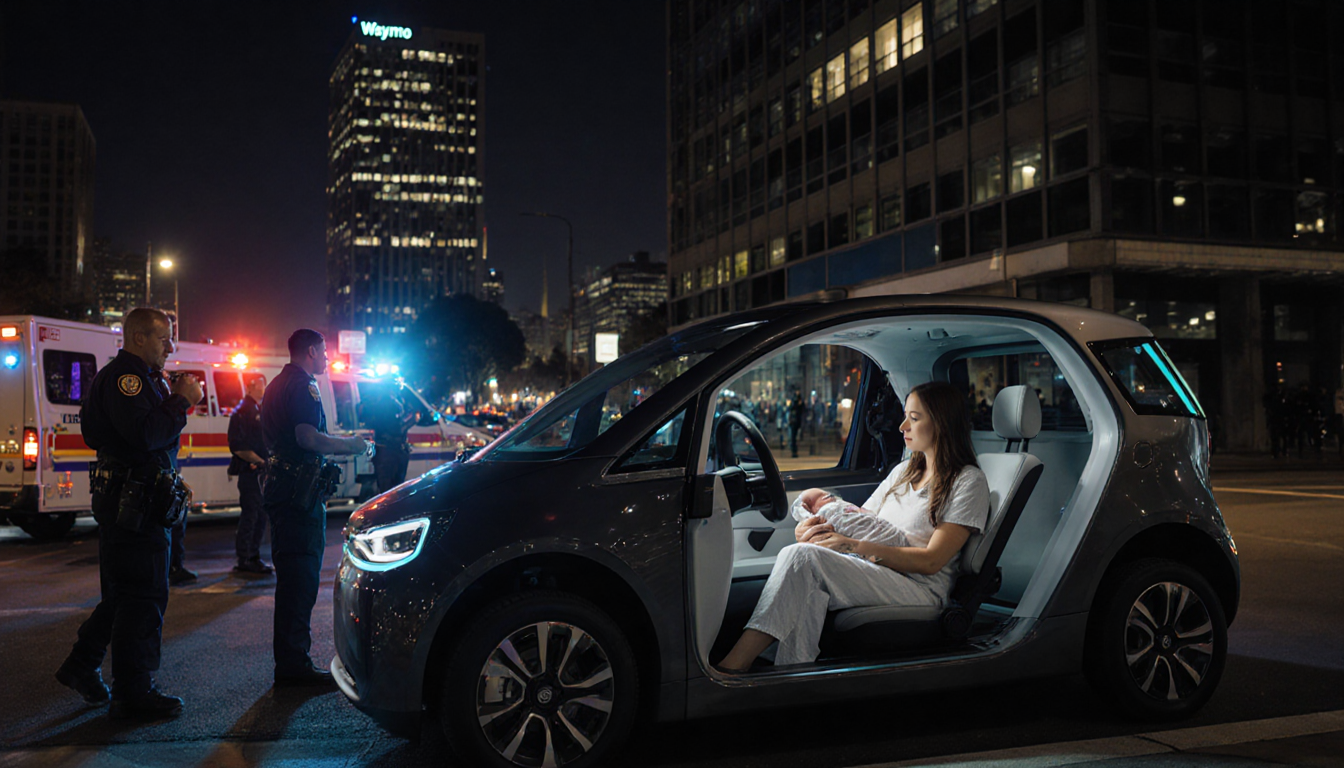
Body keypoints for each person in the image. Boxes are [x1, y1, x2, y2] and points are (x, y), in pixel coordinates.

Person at [717, 381, 990, 671]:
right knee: (805, 566)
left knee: (802, 559)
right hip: (878, 570)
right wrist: (812, 529)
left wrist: (853, 546)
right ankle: (792, 676)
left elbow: (933, 560)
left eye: (913, 418)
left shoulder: (968, 481)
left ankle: (733, 666)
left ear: (943, 423)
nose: (901, 426)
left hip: (920, 586)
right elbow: (861, 519)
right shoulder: (902, 472)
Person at [55, 308, 203, 718]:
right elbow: (145, 434)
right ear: (138, 338)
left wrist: (165, 471)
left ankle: (82, 665)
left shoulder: (126, 377)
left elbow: (104, 435)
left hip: (134, 496)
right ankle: (133, 693)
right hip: (134, 504)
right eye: (164, 339)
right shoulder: (128, 378)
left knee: (124, 592)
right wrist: (180, 402)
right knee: (144, 594)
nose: (171, 347)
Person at [262, 329, 373, 687]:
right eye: (324, 351)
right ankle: (294, 669)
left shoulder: (278, 383)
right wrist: (351, 445)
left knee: (292, 581)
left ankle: (291, 664)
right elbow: (307, 438)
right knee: (300, 581)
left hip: (286, 491)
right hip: (299, 496)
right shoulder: (303, 386)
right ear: (311, 351)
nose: (327, 357)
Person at [229, 375, 271, 574]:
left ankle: (253, 556)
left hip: (259, 471)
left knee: (260, 515)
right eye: (260, 385)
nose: (263, 388)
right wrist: (258, 461)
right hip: (251, 472)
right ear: (250, 387)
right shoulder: (244, 411)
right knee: (251, 515)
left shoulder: (255, 409)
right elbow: (237, 445)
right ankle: (245, 558)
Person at [360, 383, 417, 493]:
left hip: (388, 450)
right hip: (389, 451)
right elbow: (396, 429)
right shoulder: (389, 404)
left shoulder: (387, 403)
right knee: (390, 490)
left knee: (390, 488)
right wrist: (412, 421)